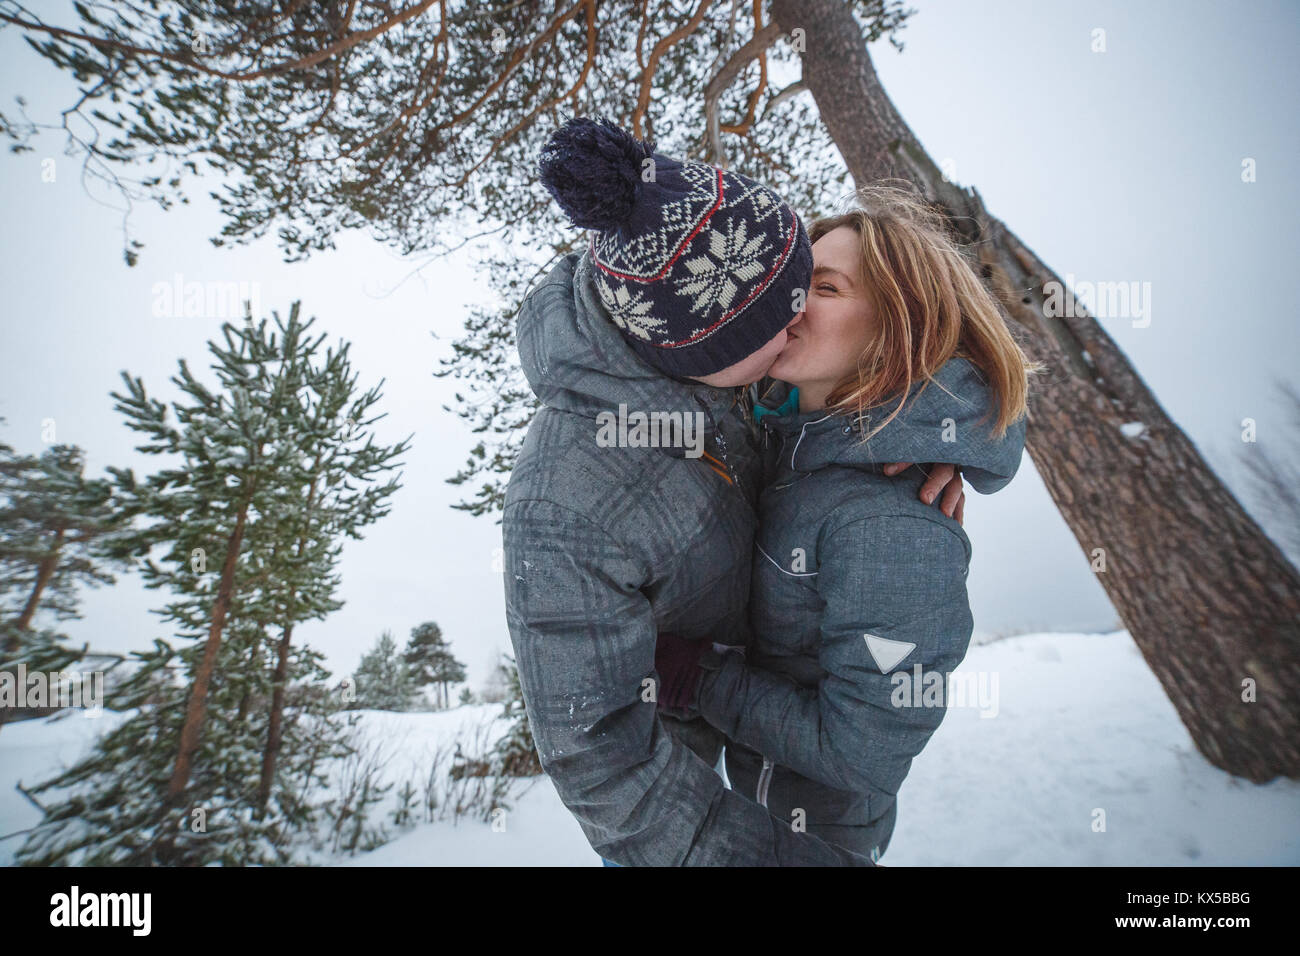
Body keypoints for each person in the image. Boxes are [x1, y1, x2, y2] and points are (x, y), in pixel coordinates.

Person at [503, 116, 963, 866]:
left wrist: (939, 433)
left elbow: (930, 342)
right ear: (707, 347)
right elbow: (601, 761)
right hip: (709, 810)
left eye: (811, 284)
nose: (798, 317)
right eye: (781, 308)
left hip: (791, 778)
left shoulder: (745, 388)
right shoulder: (562, 503)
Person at [654, 182, 1034, 863]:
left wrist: (700, 678)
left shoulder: (895, 521)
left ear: (900, 322)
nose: (789, 306)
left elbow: (862, 754)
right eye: (792, 285)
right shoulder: (784, 441)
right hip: (734, 810)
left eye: (824, 290)